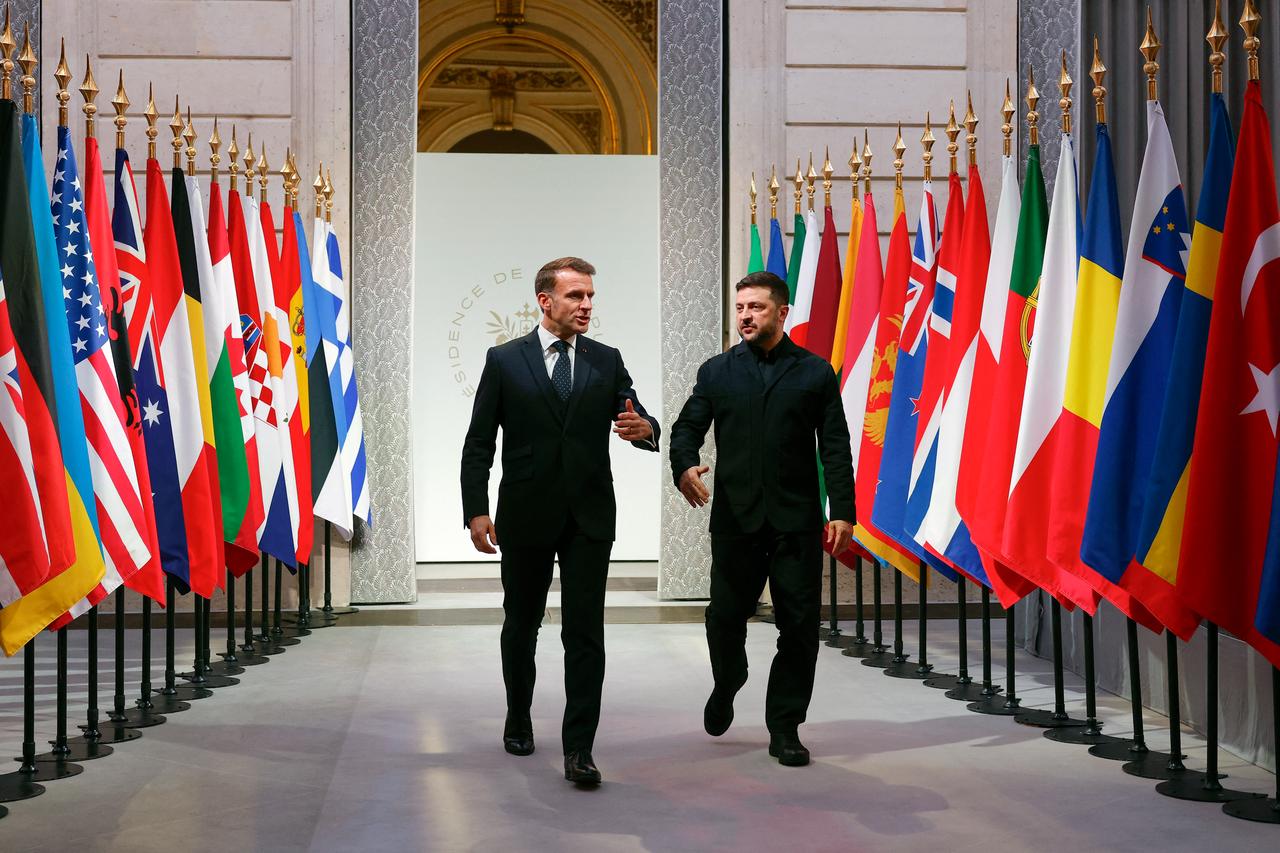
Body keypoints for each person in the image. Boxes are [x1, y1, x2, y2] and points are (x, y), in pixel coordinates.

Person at [460, 256, 660, 787]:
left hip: (589, 518)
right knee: (521, 626)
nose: (587, 305)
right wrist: (476, 509)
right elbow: (479, 442)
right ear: (544, 301)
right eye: (576, 296)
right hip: (524, 514)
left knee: (585, 634)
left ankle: (579, 749)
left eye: (591, 296)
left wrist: (647, 429)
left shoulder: (607, 359)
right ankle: (518, 716)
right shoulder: (504, 360)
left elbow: (638, 414)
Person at [669, 270, 854, 767]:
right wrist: (683, 464)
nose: (746, 316)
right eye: (741, 308)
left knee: (798, 627)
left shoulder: (815, 372)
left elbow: (835, 447)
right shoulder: (717, 372)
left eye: (756, 307)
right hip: (735, 520)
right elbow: (686, 427)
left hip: (796, 523)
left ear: (782, 313)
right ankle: (728, 680)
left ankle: (785, 727)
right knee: (723, 618)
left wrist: (843, 512)